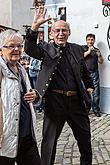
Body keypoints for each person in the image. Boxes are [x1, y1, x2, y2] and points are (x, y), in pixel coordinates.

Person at [24, 6, 94, 165]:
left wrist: (89, 86)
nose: (61, 33)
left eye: (64, 30)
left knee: (85, 139)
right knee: (49, 142)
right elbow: (29, 48)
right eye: (57, 30)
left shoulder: (77, 49)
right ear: (52, 33)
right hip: (55, 101)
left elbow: (83, 70)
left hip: (77, 101)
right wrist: (34, 27)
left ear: (69, 33)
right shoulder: (45, 49)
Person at [0, 29, 41, 165]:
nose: (16, 49)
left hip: (27, 134)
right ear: (1, 49)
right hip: (5, 138)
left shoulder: (21, 69)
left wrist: (35, 96)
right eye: (11, 46)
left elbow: (24, 96)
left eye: (19, 46)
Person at [83, 33, 104, 117]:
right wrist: (88, 51)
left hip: (94, 73)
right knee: (85, 93)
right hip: (85, 75)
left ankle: (96, 110)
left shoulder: (97, 50)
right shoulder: (83, 48)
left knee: (96, 93)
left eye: (92, 39)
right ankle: (86, 109)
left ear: (94, 40)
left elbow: (101, 62)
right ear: (86, 40)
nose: (90, 41)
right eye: (89, 39)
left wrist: (99, 55)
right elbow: (81, 57)